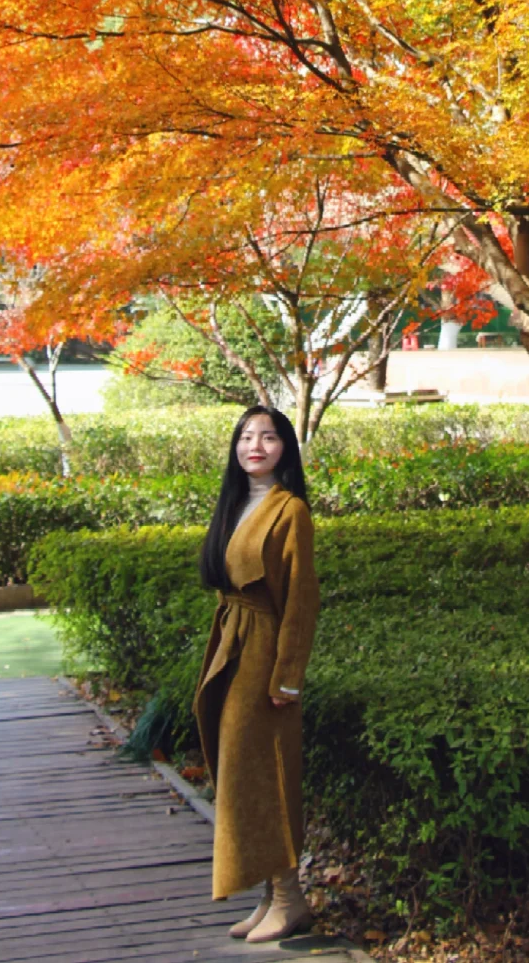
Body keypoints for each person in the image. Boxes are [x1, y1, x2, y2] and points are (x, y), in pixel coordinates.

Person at [193, 404, 320, 944]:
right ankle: (272, 895)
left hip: (264, 651)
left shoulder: (290, 509)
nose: (256, 446)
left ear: (285, 448)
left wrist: (287, 676)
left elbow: (301, 600)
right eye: (247, 436)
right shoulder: (235, 504)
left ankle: (291, 898)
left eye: (269, 437)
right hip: (231, 642)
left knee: (265, 769)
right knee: (241, 769)